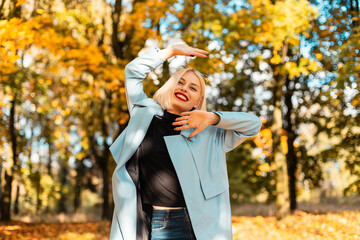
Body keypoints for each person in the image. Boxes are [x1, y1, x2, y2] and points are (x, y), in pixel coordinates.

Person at [109, 43, 262, 240]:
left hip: (196, 224)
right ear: (171, 87)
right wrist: (169, 52)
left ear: (198, 101)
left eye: (193, 88)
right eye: (180, 83)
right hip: (152, 221)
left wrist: (212, 118)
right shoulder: (144, 114)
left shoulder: (210, 132)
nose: (184, 89)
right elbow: (132, 72)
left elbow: (254, 124)